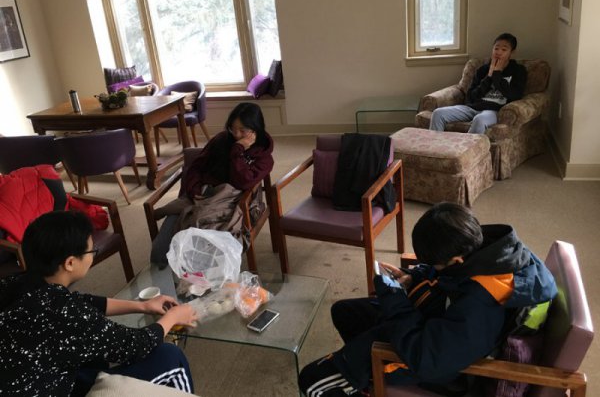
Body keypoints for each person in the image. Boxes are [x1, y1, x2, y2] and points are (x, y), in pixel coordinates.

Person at [298, 202, 557, 396]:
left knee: (312, 381)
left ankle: (364, 375)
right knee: (344, 311)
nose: (432, 266)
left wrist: (395, 300)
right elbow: (448, 277)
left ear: (456, 260)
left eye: (434, 263)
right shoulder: (485, 250)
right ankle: (367, 382)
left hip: (434, 362)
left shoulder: (481, 305)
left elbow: (427, 359)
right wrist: (414, 276)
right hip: (434, 321)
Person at [0, 211, 199, 396]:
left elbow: (81, 301)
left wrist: (142, 306)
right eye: (91, 251)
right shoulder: (64, 314)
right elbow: (135, 345)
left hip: (34, 378)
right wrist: (172, 317)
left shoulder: (15, 283)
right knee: (170, 357)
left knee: (94, 359)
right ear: (70, 263)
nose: (92, 255)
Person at [151, 102, 274, 266]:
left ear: (255, 129)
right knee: (159, 254)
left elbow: (243, 182)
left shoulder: (264, 158)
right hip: (199, 195)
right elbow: (196, 167)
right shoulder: (221, 140)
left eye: (243, 130)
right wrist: (194, 190)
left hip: (229, 202)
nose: (236, 134)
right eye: (233, 129)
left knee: (199, 255)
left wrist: (237, 151)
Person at [429, 33, 528, 134]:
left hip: (493, 111)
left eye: (504, 49)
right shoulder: (483, 69)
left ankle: (467, 145)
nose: (498, 52)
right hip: (472, 108)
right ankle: (435, 144)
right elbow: (470, 96)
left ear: (512, 52)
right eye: (496, 48)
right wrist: (489, 76)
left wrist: (497, 73)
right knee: (438, 113)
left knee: (479, 120)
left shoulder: (518, 70)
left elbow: (514, 95)